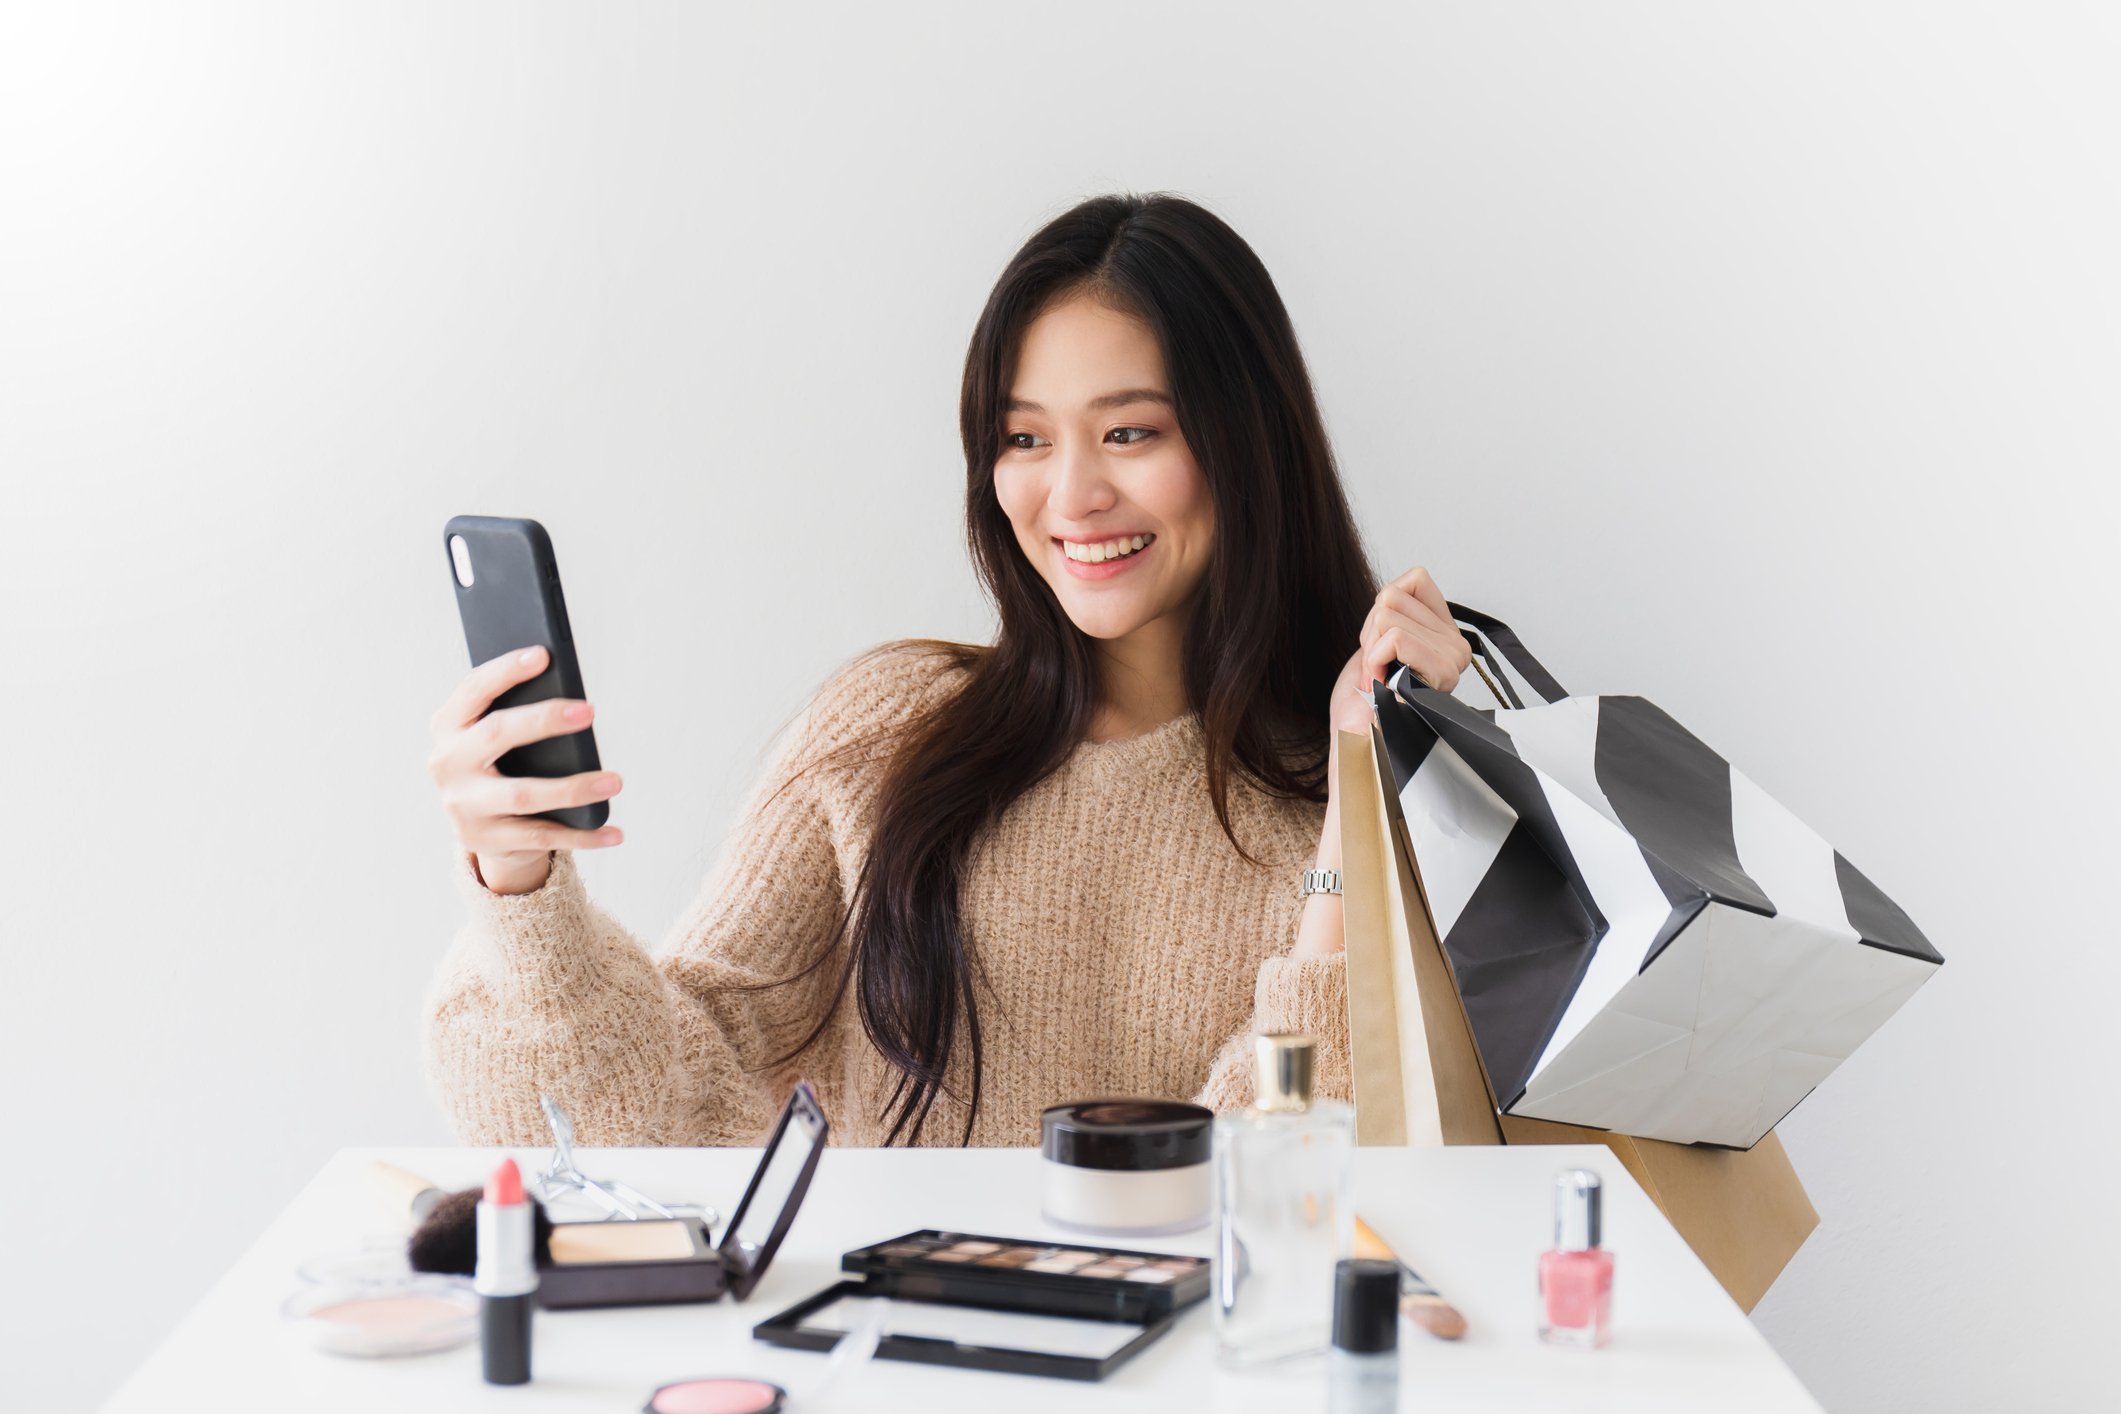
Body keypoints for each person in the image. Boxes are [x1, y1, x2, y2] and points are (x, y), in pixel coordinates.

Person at [422, 192, 1474, 1148]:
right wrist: (522, 887)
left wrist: (1352, 810)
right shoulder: (889, 730)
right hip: (904, 1355)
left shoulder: (1361, 777)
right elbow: (644, 1108)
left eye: (1128, 431)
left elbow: (1317, 1170)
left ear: (1247, 442)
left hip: (1210, 1356)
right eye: (1023, 437)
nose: (1071, 496)